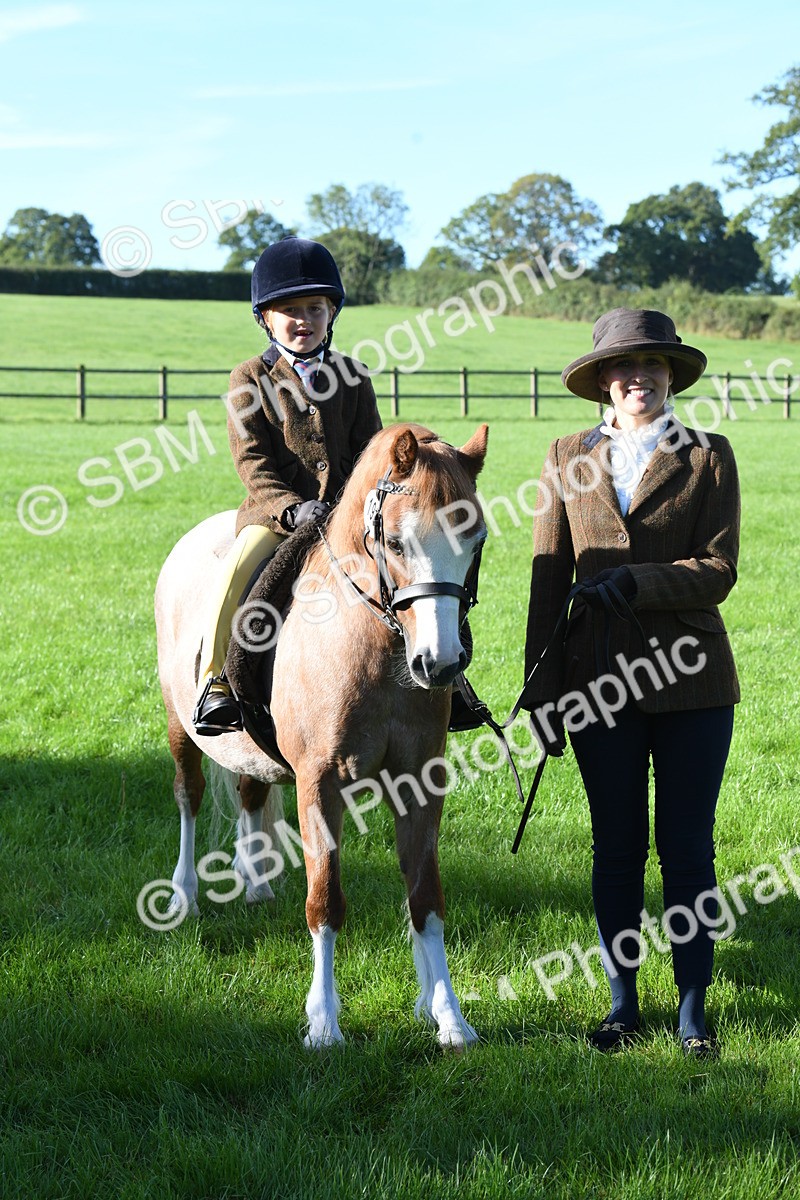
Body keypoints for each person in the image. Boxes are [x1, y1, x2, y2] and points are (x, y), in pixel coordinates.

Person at [521, 308, 740, 1058]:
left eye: (652, 364)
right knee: (615, 847)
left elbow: (718, 570)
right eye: (623, 366)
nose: (638, 376)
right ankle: (622, 1004)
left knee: (687, 849)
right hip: (596, 684)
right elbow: (548, 581)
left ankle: (691, 1006)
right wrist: (541, 693)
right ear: (601, 384)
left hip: (693, 686)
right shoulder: (563, 455)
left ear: (671, 374)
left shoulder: (710, 456)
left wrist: (637, 582)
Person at [193, 236, 382, 734]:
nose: (304, 319)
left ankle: (446, 683)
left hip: (346, 518)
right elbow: (252, 461)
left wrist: (354, 507)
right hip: (275, 516)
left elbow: (368, 451)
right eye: (290, 309)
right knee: (237, 572)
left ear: (331, 313)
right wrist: (291, 508)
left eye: (315, 308)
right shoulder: (250, 378)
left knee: (410, 569)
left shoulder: (353, 376)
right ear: (266, 318)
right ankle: (215, 683)